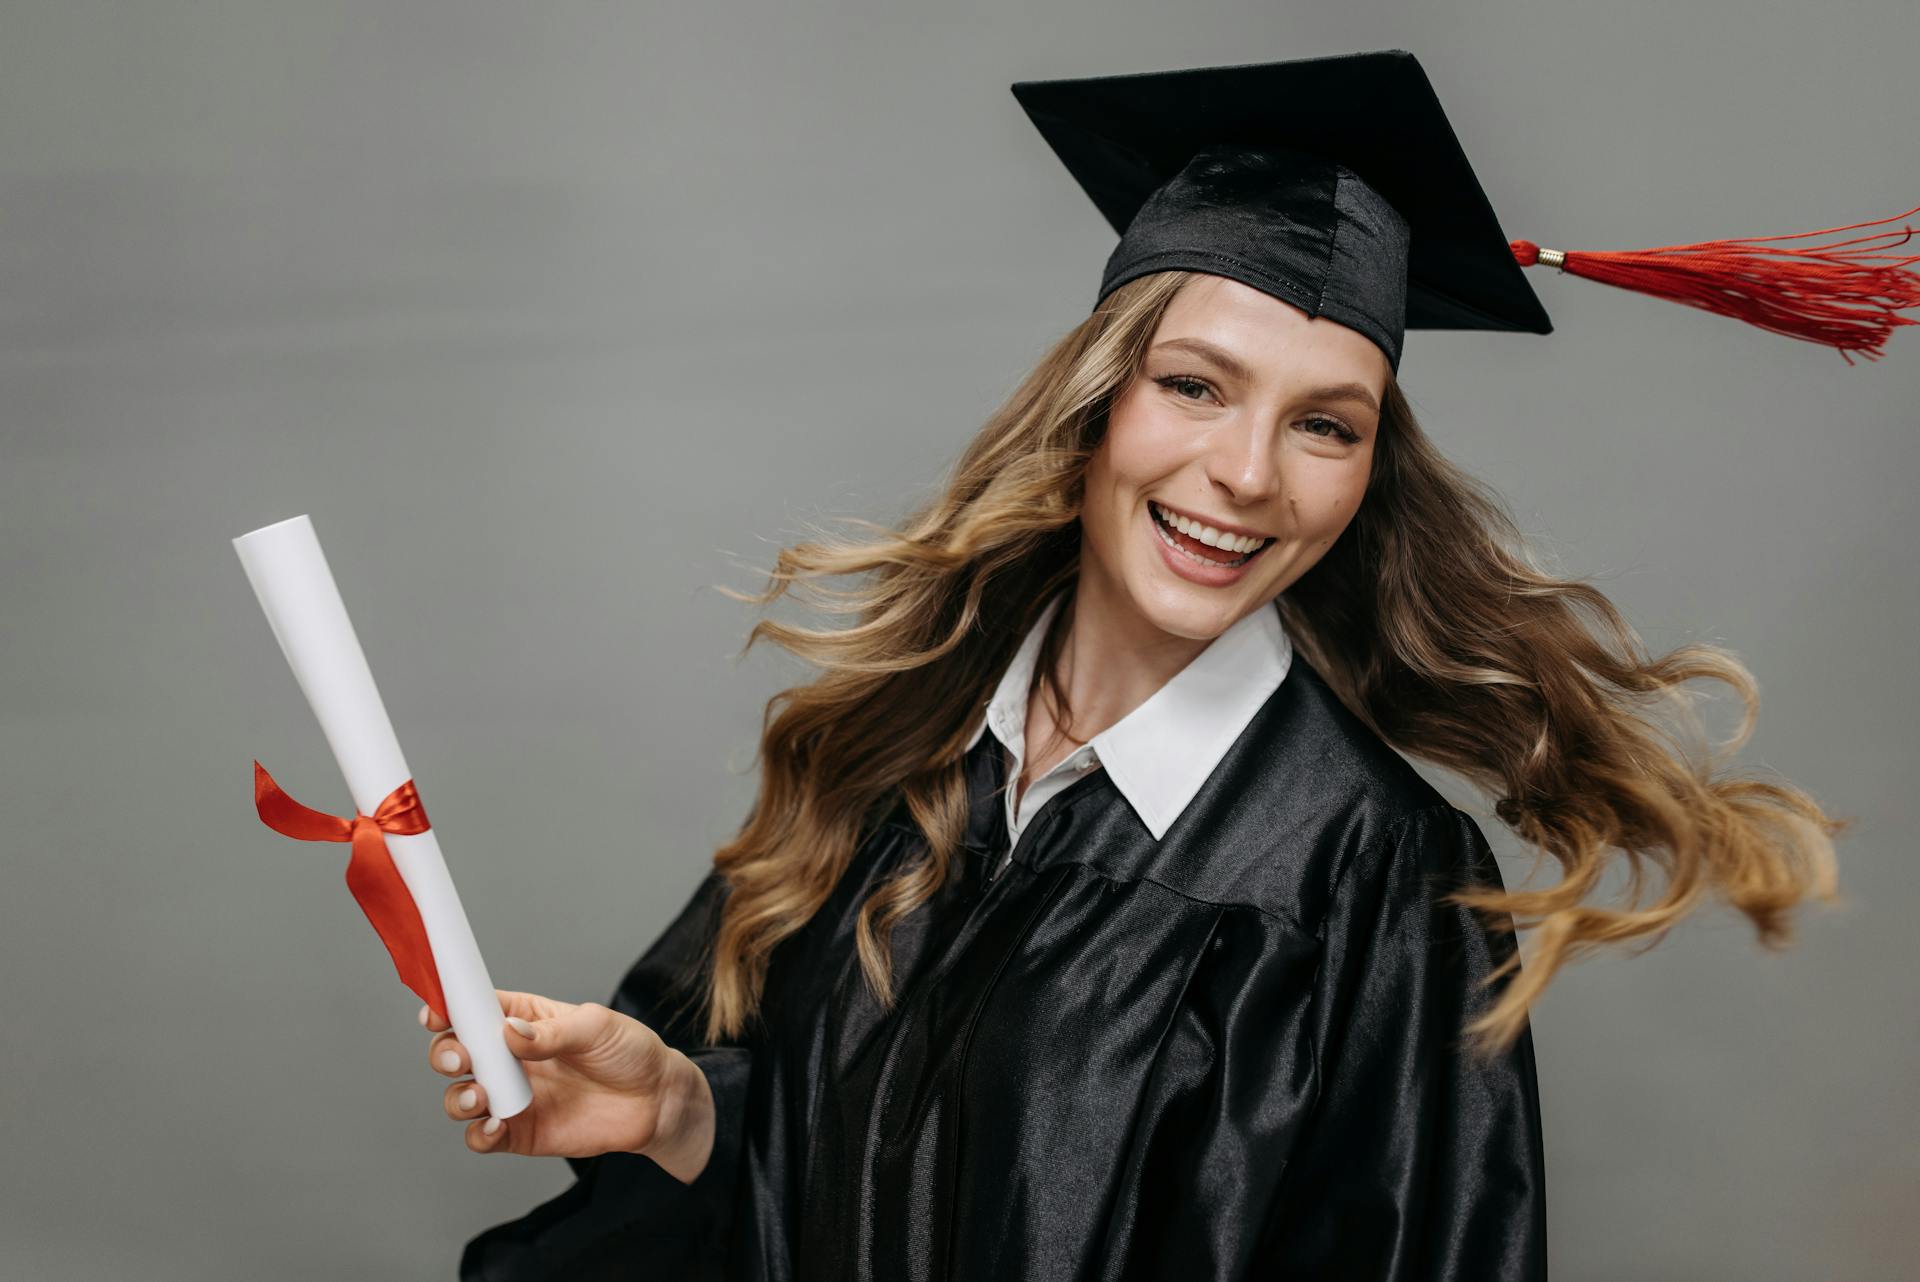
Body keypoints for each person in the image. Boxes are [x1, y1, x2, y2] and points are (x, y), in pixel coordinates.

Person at [427, 49, 1892, 1282]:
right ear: (1098, 404)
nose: (1247, 473)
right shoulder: (902, 756)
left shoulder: (1374, 884)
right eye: (1194, 386)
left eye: (1328, 423)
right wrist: (682, 1110)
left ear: (1370, 470)